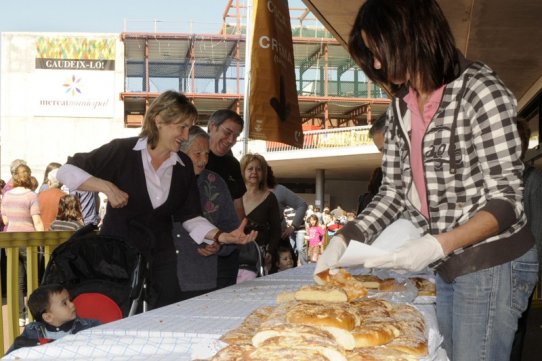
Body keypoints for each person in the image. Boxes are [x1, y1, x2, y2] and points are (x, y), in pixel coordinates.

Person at [316, 1, 538, 360]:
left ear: (410, 33)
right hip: (450, 263)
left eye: (379, 52)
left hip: (493, 261)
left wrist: (438, 244)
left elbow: (506, 201)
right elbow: (392, 193)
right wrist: (346, 238)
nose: (376, 65)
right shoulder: (401, 108)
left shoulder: (481, 90)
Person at [57, 91, 256, 309]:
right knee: (120, 321)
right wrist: (106, 187)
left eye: (189, 127)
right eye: (181, 127)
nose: (185, 134)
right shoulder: (122, 151)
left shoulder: (183, 165)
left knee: (164, 315)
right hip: (117, 260)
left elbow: (191, 217)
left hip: (163, 261)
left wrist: (222, 236)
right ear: (158, 120)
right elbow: (66, 171)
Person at [175, 125, 240, 300]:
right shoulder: (165, 179)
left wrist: (219, 245)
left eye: (206, 154)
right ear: (180, 152)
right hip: (164, 277)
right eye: (198, 154)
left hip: (201, 278)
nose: (203, 160)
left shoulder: (215, 183)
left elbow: (231, 228)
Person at [510, 118, 542, 361]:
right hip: (498, 265)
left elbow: (538, 227)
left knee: (517, 327)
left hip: (522, 267)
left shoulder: (532, 179)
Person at [206, 109, 247, 288]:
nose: (231, 140)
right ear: (212, 127)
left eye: (236, 136)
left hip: (227, 250)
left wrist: (240, 236)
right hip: (197, 248)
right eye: (228, 132)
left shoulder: (232, 164)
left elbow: (238, 203)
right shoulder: (189, 157)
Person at [1, 163, 44, 325]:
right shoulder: (31, 195)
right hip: (29, 240)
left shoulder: (7, 196)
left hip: (11, 240)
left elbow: (5, 220)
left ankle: (21, 315)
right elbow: (37, 221)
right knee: (33, 278)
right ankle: (34, 314)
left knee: (17, 281)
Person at [6, 284, 100, 354]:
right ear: (48, 317)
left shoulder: (90, 326)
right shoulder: (32, 331)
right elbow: (10, 355)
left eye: (70, 300)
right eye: (64, 303)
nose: (72, 304)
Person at [237, 153, 281, 282]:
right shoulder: (233, 196)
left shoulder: (270, 198)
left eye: (258, 169)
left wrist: (270, 252)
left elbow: (276, 229)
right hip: (235, 255)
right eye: (250, 169)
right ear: (243, 171)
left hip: (259, 257)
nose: (254, 172)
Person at [266, 165, 308, 265]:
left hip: (279, 242)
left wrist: (293, 226)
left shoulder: (279, 190)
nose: (255, 173)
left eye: (259, 169)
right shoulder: (246, 190)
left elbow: (302, 205)